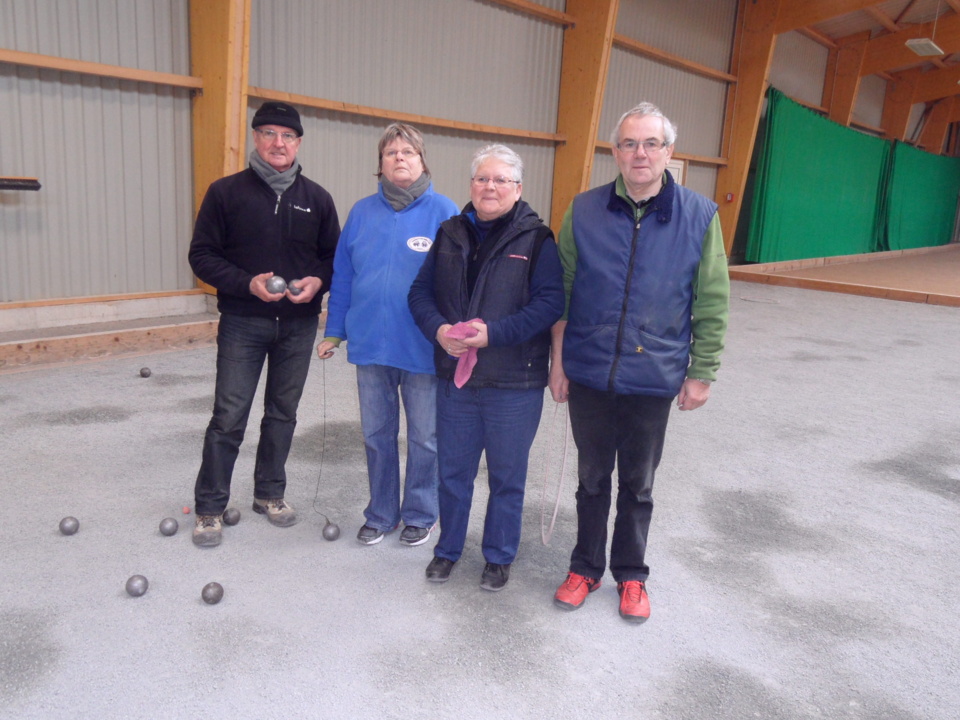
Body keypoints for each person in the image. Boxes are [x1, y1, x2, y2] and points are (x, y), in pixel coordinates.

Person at [549, 102, 729, 621]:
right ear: (615, 151)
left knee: (638, 484)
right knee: (590, 481)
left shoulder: (699, 215)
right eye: (629, 143)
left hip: (654, 376)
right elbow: (561, 292)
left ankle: (631, 575)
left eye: (651, 144)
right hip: (589, 371)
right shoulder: (582, 210)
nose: (640, 153)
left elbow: (712, 300)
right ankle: (584, 568)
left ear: (669, 152)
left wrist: (702, 371)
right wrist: (559, 362)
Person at [408, 144, 564, 592]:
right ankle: (448, 550)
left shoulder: (537, 240)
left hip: (515, 381)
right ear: (471, 185)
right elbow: (419, 295)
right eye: (482, 179)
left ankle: (498, 556)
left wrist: (493, 334)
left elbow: (550, 303)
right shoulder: (450, 232)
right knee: (452, 471)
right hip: (457, 379)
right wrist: (439, 331)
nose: (489, 187)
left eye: (500, 180)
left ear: (517, 188)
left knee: (506, 476)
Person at [188, 101, 340, 547]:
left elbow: (334, 259)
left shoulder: (317, 199)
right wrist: (245, 284)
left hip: (297, 325)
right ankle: (210, 506)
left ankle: (269, 494)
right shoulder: (225, 193)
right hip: (243, 322)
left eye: (287, 136)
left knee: (283, 414)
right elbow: (201, 256)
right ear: (256, 138)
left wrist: (318, 281)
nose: (279, 143)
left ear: (298, 143)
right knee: (229, 416)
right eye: (270, 133)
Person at [317, 123, 457, 547]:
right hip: (371, 347)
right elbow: (343, 277)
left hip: (422, 348)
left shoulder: (445, 212)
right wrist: (334, 332)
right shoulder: (361, 213)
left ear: (422, 161)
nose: (400, 158)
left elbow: (457, 284)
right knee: (377, 435)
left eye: (408, 152)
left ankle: (420, 512)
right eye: (391, 152)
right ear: (379, 164)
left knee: (425, 437)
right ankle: (380, 513)